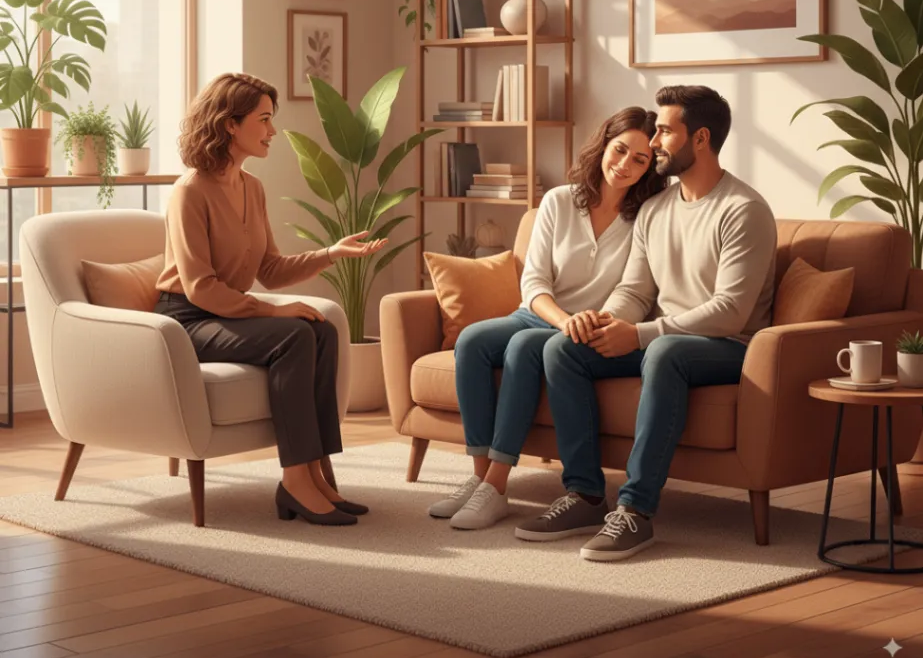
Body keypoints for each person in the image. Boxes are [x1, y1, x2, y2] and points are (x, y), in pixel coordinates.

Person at [516, 85, 776, 561]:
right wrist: (603, 323)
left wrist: (639, 334)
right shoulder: (656, 209)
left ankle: (635, 512)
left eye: (663, 131)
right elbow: (636, 291)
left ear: (699, 139)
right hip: (664, 340)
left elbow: (730, 311)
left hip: (729, 346)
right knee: (562, 349)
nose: (653, 142)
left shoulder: (743, 211)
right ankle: (586, 495)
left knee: (664, 350)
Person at [155, 73, 387, 527]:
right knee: (293, 336)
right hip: (186, 318)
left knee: (318, 329)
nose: (272, 131)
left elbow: (271, 270)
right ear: (229, 125)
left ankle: (316, 475)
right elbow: (200, 287)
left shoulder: (252, 187)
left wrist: (330, 253)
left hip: (227, 311)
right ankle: (294, 481)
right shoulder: (189, 192)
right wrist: (272, 311)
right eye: (263, 120)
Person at [428, 107, 667, 530]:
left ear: (649, 168)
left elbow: (634, 290)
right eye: (620, 150)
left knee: (522, 348)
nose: (624, 164)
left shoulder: (645, 217)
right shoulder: (559, 200)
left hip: (589, 325)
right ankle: (481, 477)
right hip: (541, 315)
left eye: (639, 159)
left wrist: (595, 321)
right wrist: (562, 321)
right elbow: (535, 282)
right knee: (472, 340)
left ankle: (497, 486)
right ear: (603, 146)